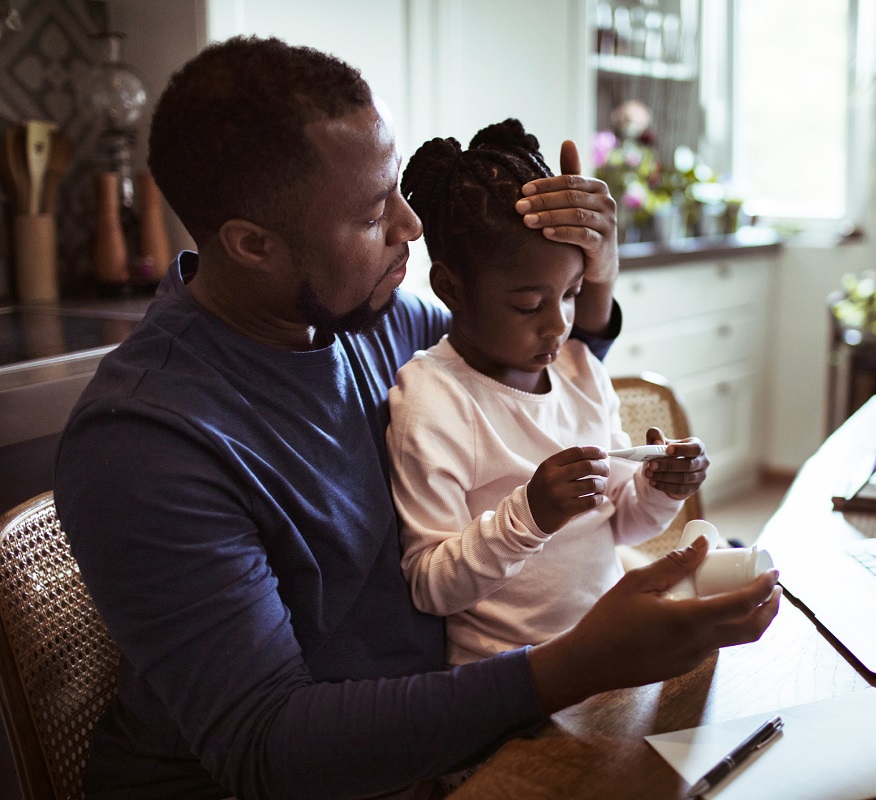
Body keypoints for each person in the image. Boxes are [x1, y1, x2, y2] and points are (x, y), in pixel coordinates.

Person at [53, 37, 779, 800]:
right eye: (373, 213)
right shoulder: (147, 444)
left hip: (449, 746)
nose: (409, 225)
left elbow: (525, 364)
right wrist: (576, 663)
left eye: (397, 190)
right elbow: (269, 747)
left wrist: (592, 271)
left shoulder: (371, 318)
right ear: (253, 244)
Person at [389, 119, 705, 667]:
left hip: (608, 650)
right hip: (510, 681)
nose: (558, 325)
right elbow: (430, 586)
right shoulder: (433, 400)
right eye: (530, 305)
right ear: (451, 288)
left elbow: (622, 525)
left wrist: (660, 489)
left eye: (571, 295)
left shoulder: (580, 369)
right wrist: (530, 516)